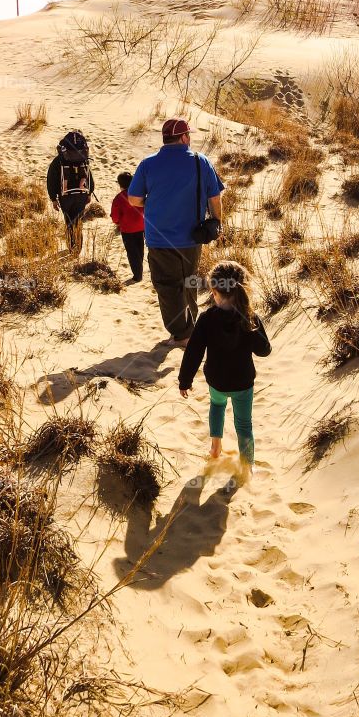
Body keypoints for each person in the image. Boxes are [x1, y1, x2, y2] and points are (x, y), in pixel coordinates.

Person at [128, 117, 224, 345]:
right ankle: (190, 328)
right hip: (193, 237)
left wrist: (154, 202)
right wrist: (218, 223)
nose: (189, 139)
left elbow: (133, 199)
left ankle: (182, 334)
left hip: (159, 238)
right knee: (189, 282)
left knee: (167, 286)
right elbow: (215, 198)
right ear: (183, 137)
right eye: (188, 135)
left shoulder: (148, 164)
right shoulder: (201, 161)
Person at [178, 260, 271, 476]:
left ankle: (215, 447)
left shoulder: (206, 319)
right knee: (244, 424)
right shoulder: (249, 318)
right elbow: (264, 350)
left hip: (217, 381)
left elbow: (193, 352)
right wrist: (253, 326)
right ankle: (247, 465)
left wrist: (185, 380)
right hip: (243, 383)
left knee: (217, 407)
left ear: (214, 291)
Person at [46, 130, 94, 255]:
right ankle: (78, 249)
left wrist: (53, 198)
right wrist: (89, 193)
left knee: (69, 222)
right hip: (81, 194)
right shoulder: (83, 158)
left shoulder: (59, 160)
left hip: (65, 196)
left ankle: (72, 248)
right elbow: (89, 176)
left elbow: (51, 179)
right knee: (78, 221)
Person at [110, 171, 145, 283]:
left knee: (132, 252)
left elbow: (115, 216)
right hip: (141, 226)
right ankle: (139, 271)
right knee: (139, 249)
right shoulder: (139, 194)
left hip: (127, 229)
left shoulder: (119, 198)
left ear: (120, 184)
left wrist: (118, 222)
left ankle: (137, 276)